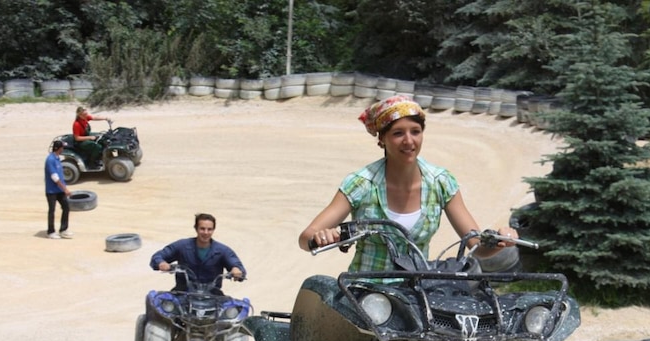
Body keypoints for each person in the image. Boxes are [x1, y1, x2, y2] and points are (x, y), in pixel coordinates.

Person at [298, 95, 518, 270]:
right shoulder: (361, 183)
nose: (408, 141)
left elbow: (476, 245)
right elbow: (305, 238)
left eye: (415, 132)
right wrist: (321, 237)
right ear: (381, 139)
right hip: (366, 293)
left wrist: (500, 241)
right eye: (397, 133)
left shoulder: (441, 182)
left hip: (416, 292)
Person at [150, 213, 246, 293]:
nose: (206, 232)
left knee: (232, 308)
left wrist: (236, 270)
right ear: (196, 228)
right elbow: (157, 256)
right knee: (159, 302)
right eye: (202, 228)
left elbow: (237, 266)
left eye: (209, 229)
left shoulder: (222, 251)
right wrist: (161, 263)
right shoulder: (182, 246)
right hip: (183, 293)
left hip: (212, 295)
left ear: (213, 230)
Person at [44, 139, 72, 239]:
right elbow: (54, 177)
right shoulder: (50, 160)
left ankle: (63, 230)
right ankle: (51, 232)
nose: (63, 149)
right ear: (58, 148)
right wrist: (65, 189)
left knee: (66, 207)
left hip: (59, 190)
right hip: (52, 191)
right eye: (62, 147)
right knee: (52, 211)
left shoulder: (57, 158)